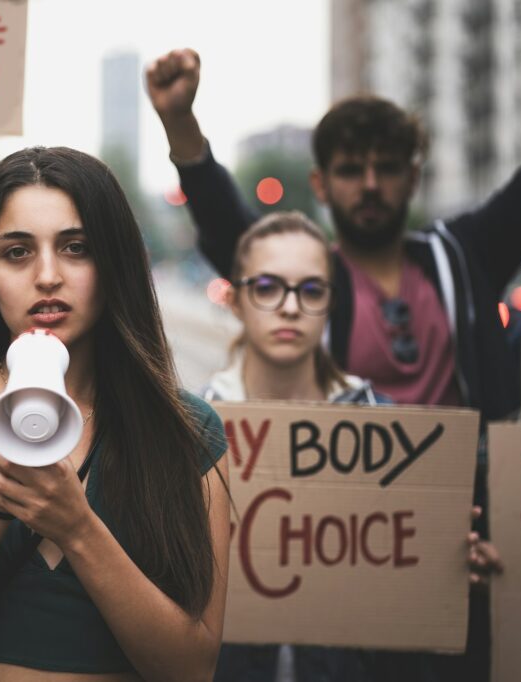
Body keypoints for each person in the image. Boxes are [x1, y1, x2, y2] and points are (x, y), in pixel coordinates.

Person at [147, 47, 521, 681]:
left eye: (387, 167)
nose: (371, 184)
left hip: (457, 545)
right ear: (321, 184)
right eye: (352, 169)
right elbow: (230, 231)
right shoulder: (309, 271)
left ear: (414, 176)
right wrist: (181, 125)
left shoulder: (463, 259)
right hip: (336, 553)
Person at [0, 146, 231, 681]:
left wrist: (77, 527)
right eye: (16, 252)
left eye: (76, 248)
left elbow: (192, 670)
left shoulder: (188, 433)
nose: (47, 276)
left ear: (115, 263)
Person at [200, 211, 384, 682]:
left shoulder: (384, 427)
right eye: (266, 287)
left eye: (311, 290)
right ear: (236, 299)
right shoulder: (192, 430)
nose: (289, 307)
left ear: (330, 302)